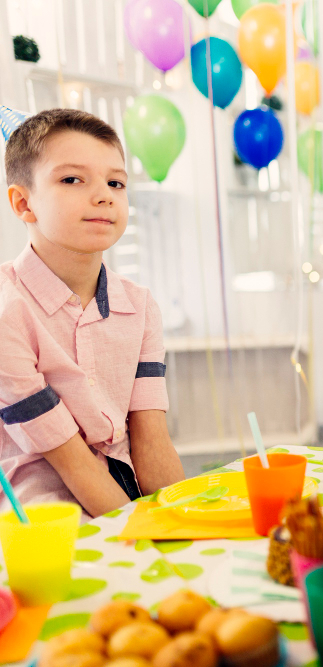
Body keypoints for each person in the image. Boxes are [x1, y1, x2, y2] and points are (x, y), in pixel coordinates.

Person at [0, 107, 185, 519]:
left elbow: (151, 440)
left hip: (125, 487)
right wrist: (142, 533)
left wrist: (181, 520)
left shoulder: (139, 306)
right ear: (23, 203)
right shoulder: (7, 311)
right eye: (71, 179)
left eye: (115, 182)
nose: (103, 194)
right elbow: (71, 461)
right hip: (42, 503)